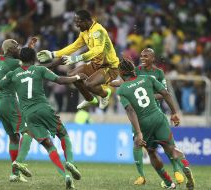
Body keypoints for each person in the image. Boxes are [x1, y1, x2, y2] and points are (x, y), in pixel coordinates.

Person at [0, 47, 86, 189]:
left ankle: (65, 176)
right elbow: (60, 80)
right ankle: (70, 162)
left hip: (28, 115)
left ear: (20, 59)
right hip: (43, 108)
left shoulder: (12, 74)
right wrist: (77, 77)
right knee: (63, 135)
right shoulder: (39, 70)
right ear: (34, 58)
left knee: (48, 145)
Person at [116, 58, 195, 190]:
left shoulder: (122, 90)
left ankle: (169, 183)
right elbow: (165, 93)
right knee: (171, 148)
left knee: (152, 152)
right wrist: (174, 113)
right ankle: (185, 166)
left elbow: (130, 110)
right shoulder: (147, 79)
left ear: (122, 72)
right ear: (132, 69)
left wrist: (139, 132)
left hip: (143, 124)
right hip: (158, 117)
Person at [37, 9, 119, 110]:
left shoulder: (98, 31)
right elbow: (74, 46)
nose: (76, 25)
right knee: (72, 75)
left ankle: (105, 94)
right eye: (75, 22)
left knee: (89, 84)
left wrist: (76, 58)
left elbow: (97, 50)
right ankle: (89, 99)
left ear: (86, 21)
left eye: (78, 22)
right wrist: (53, 54)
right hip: (95, 64)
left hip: (110, 67)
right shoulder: (84, 32)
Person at [0, 38, 37, 182]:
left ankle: (14, 174)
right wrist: (30, 51)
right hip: (9, 101)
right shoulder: (13, 63)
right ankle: (18, 165)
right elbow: (29, 65)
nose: (19, 49)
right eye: (17, 47)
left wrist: (27, 47)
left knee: (14, 137)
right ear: (11, 50)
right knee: (28, 131)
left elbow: (19, 57)